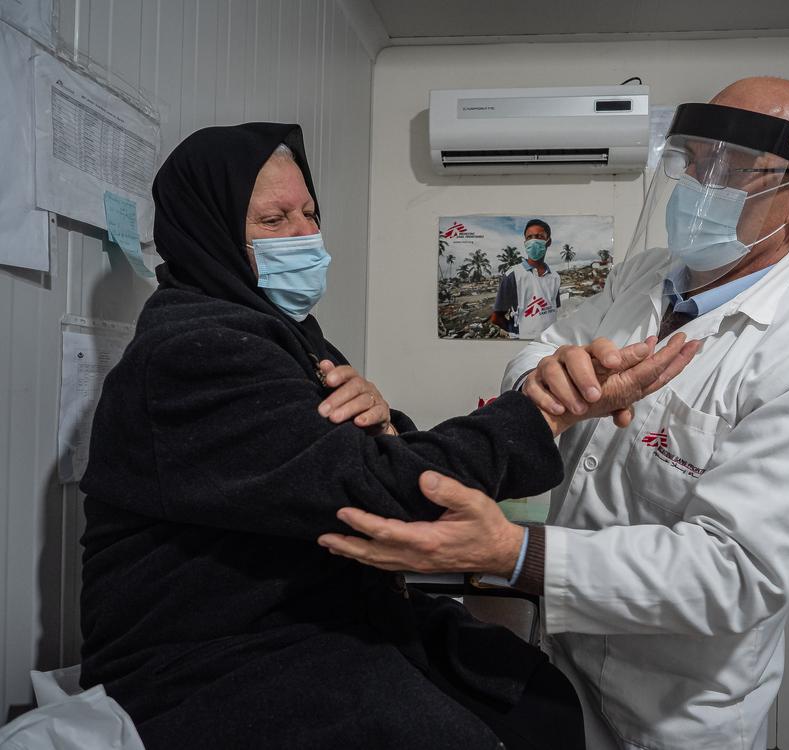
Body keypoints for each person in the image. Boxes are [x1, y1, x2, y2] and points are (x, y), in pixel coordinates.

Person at [77, 122, 700, 750]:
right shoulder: (193, 354)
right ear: (208, 230)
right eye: (273, 220)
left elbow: (353, 458)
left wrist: (385, 418)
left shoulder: (280, 333)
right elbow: (377, 491)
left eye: (309, 213)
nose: (304, 236)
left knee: (541, 701)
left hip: (322, 612)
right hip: (218, 651)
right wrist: (547, 411)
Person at [317, 77, 789, 750]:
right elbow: (539, 352)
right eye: (694, 160)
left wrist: (514, 553)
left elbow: (732, 573)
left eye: (732, 169)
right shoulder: (646, 275)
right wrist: (547, 378)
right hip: (563, 663)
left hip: (671, 713)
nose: (700, 185)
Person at [490, 219, 561, 338]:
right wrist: (516, 332)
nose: (533, 241)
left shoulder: (555, 276)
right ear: (525, 243)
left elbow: (552, 309)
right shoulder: (513, 275)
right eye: (530, 237)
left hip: (548, 341)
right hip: (522, 342)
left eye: (539, 236)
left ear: (548, 241)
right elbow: (496, 318)